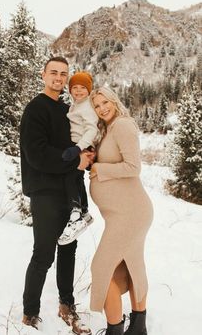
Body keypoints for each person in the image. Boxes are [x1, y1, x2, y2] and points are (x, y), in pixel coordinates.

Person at [20, 56, 93, 334]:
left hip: (68, 190)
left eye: (63, 74)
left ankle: (67, 306)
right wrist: (75, 161)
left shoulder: (68, 109)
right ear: (43, 75)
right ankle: (30, 314)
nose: (59, 78)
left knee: (68, 249)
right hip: (45, 191)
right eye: (54, 73)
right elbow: (36, 154)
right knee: (43, 255)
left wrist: (87, 156)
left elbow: (79, 141)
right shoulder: (36, 109)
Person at [89, 87, 153, 335]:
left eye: (105, 102)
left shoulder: (123, 125)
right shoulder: (109, 129)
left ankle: (115, 330)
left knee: (101, 268)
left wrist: (99, 170)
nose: (102, 108)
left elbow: (133, 167)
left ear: (114, 100)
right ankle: (138, 327)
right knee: (129, 267)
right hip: (124, 213)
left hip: (130, 213)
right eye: (97, 105)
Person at [58, 71, 98, 245]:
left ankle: (75, 214)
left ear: (89, 90)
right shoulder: (76, 105)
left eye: (83, 88)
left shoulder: (87, 107)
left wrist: (77, 148)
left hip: (82, 146)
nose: (79, 91)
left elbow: (91, 130)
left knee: (70, 178)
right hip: (78, 145)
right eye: (75, 87)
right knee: (77, 178)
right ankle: (85, 213)